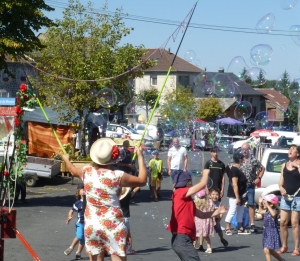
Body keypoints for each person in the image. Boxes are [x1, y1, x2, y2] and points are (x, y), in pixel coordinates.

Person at [62, 138, 147, 261]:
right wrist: (140, 156)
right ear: (113, 158)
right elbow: (142, 180)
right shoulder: (117, 175)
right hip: (113, 223)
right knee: (117, 256)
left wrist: (66, 159)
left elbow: (72, 170)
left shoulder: (87, 172)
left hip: (93, 224)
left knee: (96, 257)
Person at [167, 169, 228, 261]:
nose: (192, 183)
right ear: (186, 183)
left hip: (183, 239)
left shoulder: (187, 201)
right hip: (182, 238)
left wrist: (217, 211)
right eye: (190, 181)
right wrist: (206, 172)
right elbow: (203, 184)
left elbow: (202, 215)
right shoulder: (179, 192)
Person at [277, 145, 300, 256]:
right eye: (289, 149)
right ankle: (284, 246)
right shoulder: (284, 165)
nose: (290, 151)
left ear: (298, 154)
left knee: (295, 223)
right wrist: (281, 188)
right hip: (286, 198)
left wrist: (297, 166)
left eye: (293, 150)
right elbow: (281, 181)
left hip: (297, 197)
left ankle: (296, 248)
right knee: (283, 222)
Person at [240, 142, 265, 233]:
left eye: (245, 149)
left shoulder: (253, 159)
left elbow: (262, 168)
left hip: (250, 185)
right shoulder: (239, 159)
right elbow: (230, 167)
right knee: (240, 204)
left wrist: (258, 178)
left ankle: (252, 224)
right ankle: (240, 223)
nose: (244, 151)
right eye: (242, 149)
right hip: (241, 186)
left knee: (251, 204)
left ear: (249, 150)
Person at [224, 151, 251, 235]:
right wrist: (237, 197)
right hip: (234, 194)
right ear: (239, 159)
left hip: (241, 194)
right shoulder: (234, 170)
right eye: (242, 158)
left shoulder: (238, 169)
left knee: (240, 210)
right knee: (232, 210)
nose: (243, 160)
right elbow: (234, 184)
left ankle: (240, 227)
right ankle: (227, 227)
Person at [258, 194, 285, 261]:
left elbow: (273, 214)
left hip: (272, 232)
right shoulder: (266, 211)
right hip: (266, 232)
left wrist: (267, 206)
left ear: (271, 204)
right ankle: (281, 260)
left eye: (265, 202)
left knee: (266, 250)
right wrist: (260, 203)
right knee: (270, 251)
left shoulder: (274, 211)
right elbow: (260, 211)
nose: (264, 203)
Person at [64, 183, 85, 260]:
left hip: (89, 224)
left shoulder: (90, 201)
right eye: (82, 189)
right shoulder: (78, 203)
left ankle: (78, 253)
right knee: (79, 236)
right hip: (81, 223)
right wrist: (69, 216)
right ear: (78, 192)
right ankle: (71, 248)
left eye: (86, 189)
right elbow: (71, 211)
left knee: (83, 240)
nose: (84, 190)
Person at [193, 189, 215, 254]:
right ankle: (209, 248)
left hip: (198, 221)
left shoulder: (196, 203)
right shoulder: (209, 202)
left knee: (195, 236)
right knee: (206, 236)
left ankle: (192, 246)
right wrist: (213, 220)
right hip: (206, 221)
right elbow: (212, 212)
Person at [119, 187, 135, 255]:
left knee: (118, 234)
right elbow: (133, 192)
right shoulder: (128, 197)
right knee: (128, 234)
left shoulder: (116, 199)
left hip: (117, 217)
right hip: (125, 216)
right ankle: (129, 249)